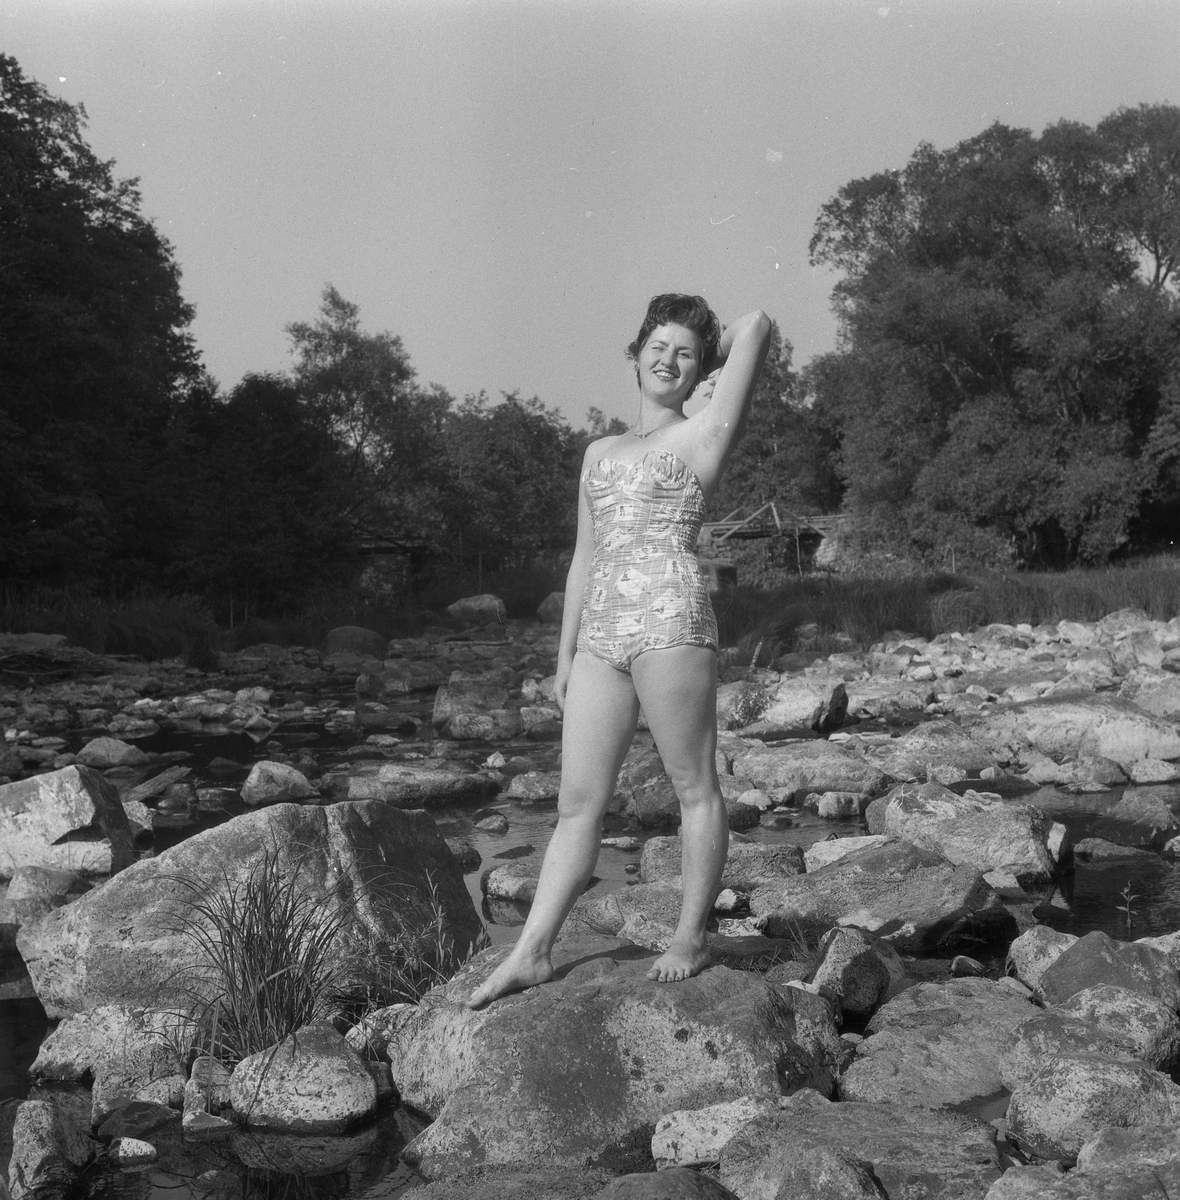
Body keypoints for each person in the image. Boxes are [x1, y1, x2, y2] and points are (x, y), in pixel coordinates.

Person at [468, 294, 771, 1008]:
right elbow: (583, 559)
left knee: (693, 786)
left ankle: (690, 937)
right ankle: (532, 952)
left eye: (684, 353)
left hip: (671, 620)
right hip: (600, 634)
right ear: (633, 356)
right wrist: (563, 657)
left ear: (702, 368)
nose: (668, 360)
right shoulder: (598, 452)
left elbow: (756, 326)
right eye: (656, 347)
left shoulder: (704, 433)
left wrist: (708, 351)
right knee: (577, 803)